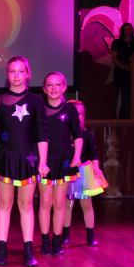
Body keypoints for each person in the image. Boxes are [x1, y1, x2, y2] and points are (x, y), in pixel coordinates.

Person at [0, 57, 49, 267]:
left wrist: (43, 162)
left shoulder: (36, 101)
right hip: (5, 158)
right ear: (7, 74)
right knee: (4, 203)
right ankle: (2, 248)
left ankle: (28, 249)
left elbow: (42, 133)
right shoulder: (0, 101)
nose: (16, 75)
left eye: (20, 71)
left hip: (29, 159)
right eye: (12, 71)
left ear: (28, 74)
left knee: (26, 205)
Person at [37, 72, 82, 256]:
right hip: (44, 161)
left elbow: (78, 134)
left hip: (64, 160)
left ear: (64, 87)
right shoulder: (39, 109)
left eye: (57, 85)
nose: (53, 88)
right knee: (45, 202)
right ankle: (45, 240)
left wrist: (77, 155)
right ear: (44, 89)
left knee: (59, 202)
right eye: (49, 85)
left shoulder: (70, 109)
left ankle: (57, 240)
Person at [62, 100, 107, 246]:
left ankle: (90, 235)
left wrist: (96, 168)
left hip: (83, 173)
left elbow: (94, 154)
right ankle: (65, 235)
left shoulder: (86, 135)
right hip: (68, 172)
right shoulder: (63, 135)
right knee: (67, 205)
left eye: (79, 114)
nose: (77, 117)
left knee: (87, 205)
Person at [110, 23, 134, 119]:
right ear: (122, 31)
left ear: (132, 31)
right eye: (126, 29)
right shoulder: (117, 42)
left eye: (129, 29)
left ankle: (132, 116)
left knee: (132, 95)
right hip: (120, 72)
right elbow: (114, 57)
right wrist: (123, 67)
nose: (128, 31)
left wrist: (132, 67)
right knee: (123, 95)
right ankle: (121, 118)